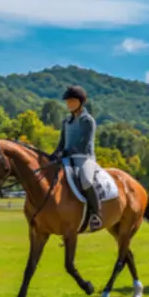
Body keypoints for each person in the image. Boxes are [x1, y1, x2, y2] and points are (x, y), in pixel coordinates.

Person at [50, 85, 102, 232]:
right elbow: (62, 142)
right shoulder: (66, 121)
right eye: (68, 102)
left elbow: (83, 142)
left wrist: (68, 152)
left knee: (86, 181)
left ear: (81, 102)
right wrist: (55, 154)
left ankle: (96, 215)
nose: (69, 104)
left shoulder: (87, 120)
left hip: (84, 158)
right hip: (67, 158)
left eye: (72, 101)